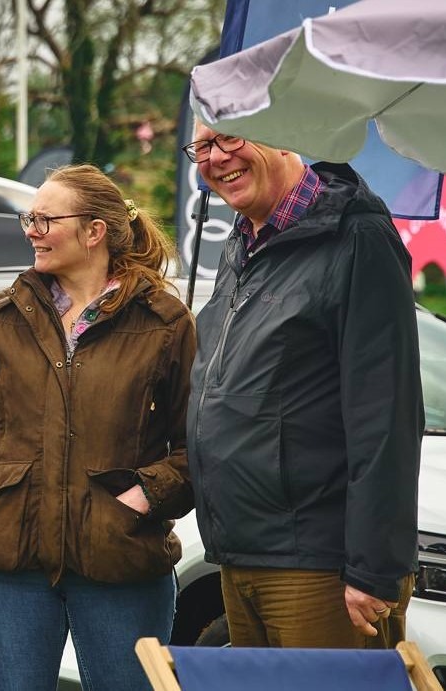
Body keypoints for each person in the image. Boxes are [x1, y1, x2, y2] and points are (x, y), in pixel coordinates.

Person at [0, 164, 196, 690]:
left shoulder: (165, 323)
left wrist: (144, 495)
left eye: (45, 220)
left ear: (94, 232)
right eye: (29, 219)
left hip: (122, 560)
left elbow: (199, 445)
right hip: (6, 567)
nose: (31, 231)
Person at [182, 123, 423, 649]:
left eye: (229, 138)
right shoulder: (244, 243)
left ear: (284, 131)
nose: (216, 158)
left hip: (320, 567)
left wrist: (373, 568)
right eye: (202, 147)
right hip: (242, 556)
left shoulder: (356, 238)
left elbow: (386, 415)